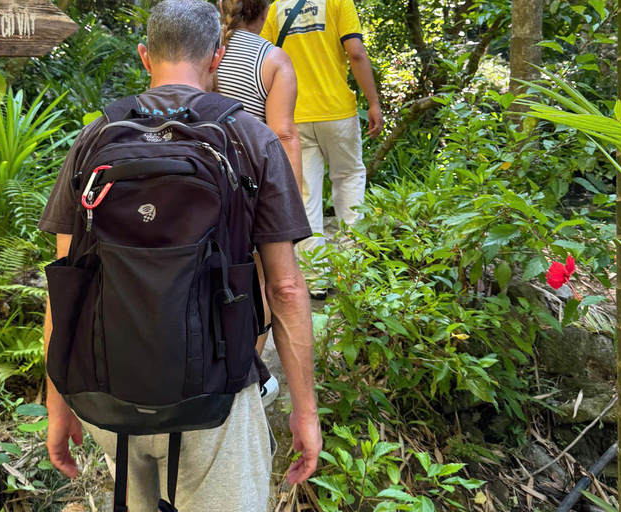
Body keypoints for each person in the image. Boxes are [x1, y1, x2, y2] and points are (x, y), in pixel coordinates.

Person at [38, 1, 322, 511]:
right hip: (214, 400)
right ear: (217, 55)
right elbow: (284, 288)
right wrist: (306, 411)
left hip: (108, 393)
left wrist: (57, 402)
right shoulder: (250, 139)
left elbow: (65, 284)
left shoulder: (94, 138)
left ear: (145, 56)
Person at [261, 0, 385, 298]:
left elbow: (265, 59)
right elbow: (355, 52)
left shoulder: (276, 7)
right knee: (349, 178)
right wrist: (373, 101)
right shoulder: (338, 1)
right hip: (337, 112)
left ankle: (315, 278)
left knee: (305, 193)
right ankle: (352, 269)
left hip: (294, 114)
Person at [217, 0, 303, 407]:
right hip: (251, 184)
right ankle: (250, 369)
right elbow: (283, 133)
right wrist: (293, 191)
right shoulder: (272, 59)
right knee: (263, 277)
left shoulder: (208, 46)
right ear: (266, 10)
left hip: (201, 184)